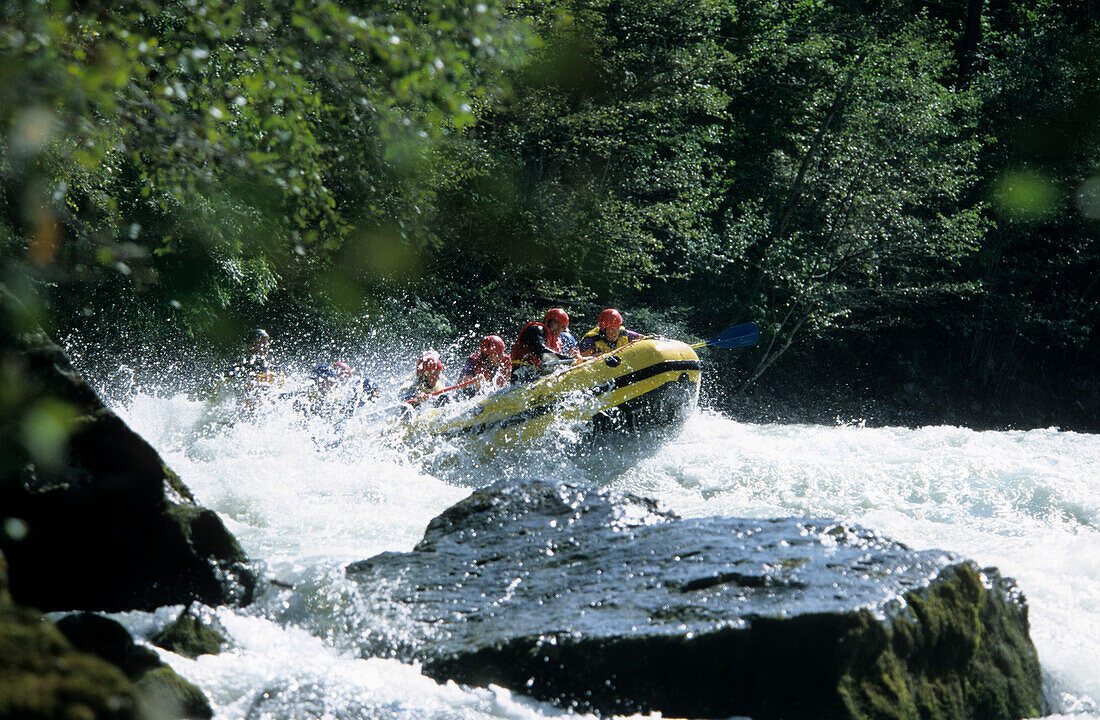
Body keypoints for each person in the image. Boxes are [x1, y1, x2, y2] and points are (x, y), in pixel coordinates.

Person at [510, 308, 578, 383]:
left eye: (562, 327)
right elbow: (542, 352)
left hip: (535, 374)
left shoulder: (556, 341)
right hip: (521, 372)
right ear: (547, 321)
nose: (559, 329)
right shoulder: (535, 330)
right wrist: (567, 359)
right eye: (557, 324)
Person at [578, 308, 643, 357]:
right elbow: (581, 360)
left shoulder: (624, 333)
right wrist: (593, 357)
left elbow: (644, 339)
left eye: (617, 328)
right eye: (612, 329)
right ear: (604, 330)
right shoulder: (591, 340)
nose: (615, 332)